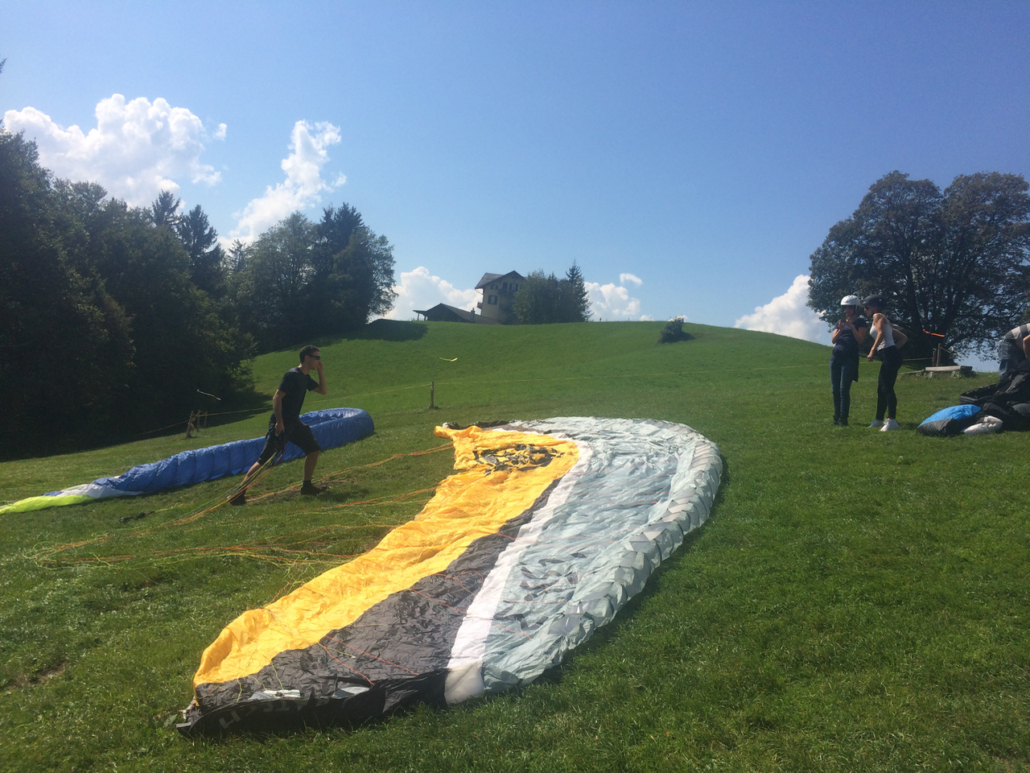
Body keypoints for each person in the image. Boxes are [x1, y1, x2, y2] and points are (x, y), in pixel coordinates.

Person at [231, 345, 328, 505]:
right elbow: (277, 398)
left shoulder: (305, 378)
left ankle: (307, 486)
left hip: (294, 422)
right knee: (265, 460)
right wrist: (279, 422)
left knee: (314, 449)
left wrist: (320, 371)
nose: (319, 360)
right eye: (317, 358)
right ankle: (238, 494)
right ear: (307, 358)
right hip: (281, 423)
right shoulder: (292, 375)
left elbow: (323, 391)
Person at [863, 295, 907, 432]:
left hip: (889, 355)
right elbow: (903, 338)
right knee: (881, 388)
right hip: (890, 354)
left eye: (867, 307)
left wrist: (872, 350)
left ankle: (891, 420)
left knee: (887, 388)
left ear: (875, 307)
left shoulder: (877, 316)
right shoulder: (883, 319)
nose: (865, 310)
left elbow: (881, 334)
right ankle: (878, 419)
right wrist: (893, 348)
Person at [829, 295, 868, 426]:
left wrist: (852, 327)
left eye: (850, 308)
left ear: (855, 308)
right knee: (835, 389)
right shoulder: (840, 322)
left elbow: (860, 340)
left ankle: (843, 418)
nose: (847, 310)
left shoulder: (860, 322)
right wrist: (840, 330)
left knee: (843, 389)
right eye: (845, 308)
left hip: (850, 358)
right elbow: (833, 340)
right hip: (836, 356)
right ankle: (836, 417)